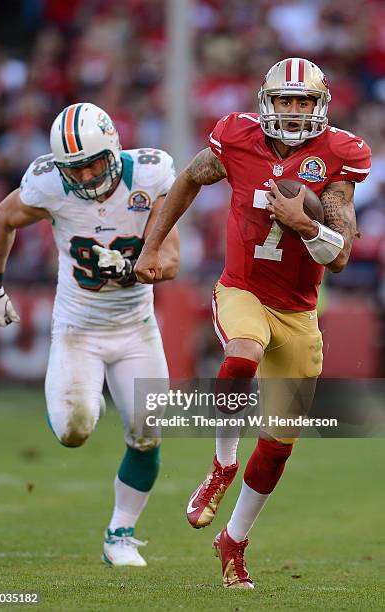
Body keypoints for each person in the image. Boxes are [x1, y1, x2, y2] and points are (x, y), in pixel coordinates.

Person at [135, 58, 371, 588]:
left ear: (319, 107)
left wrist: (305, 222)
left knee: (279, 443)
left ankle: (234, 540)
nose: (292, 110)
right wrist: (152, 244)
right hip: (242, 289)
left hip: (299, 312)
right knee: (241, 352)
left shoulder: (339, 154)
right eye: (284, 100)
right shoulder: (237, 137)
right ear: (268, 102)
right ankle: (222, 462)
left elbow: (338, 255)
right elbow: (189, 180)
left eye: (302, 102)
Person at [0, 102, 180, 568]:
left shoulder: (150, 176)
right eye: (76, 166)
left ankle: (121, 533)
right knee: (75, 430)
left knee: (148, 434)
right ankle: (62, 395)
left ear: (114, 148)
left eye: (94, 161)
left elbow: (170, 260)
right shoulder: (48, 183)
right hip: (78, 329)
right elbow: (3, 219)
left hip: (136, 329)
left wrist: (135, 267)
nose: (88, 174)